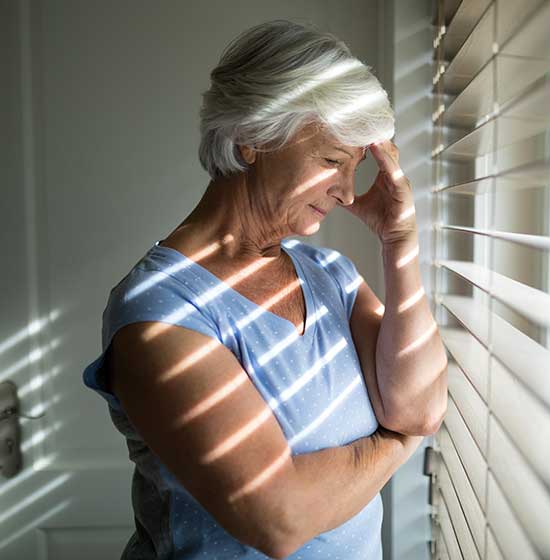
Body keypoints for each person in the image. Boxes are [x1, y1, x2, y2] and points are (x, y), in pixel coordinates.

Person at [82, 19, 448, 560]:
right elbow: (279, 519)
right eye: (330, 160)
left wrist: (400, 242)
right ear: (253, 137)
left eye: (355, 166)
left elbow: (418, 408)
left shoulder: (331, 275)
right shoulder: (161, 313)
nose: (348, 192)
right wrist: (398, 445)